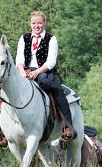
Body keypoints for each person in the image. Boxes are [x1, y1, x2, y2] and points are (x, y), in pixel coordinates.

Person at [15, 11, 76, 140]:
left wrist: (36, 72)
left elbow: (51, 62)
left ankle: (67, 123)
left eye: (39, 23)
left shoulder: (51, 38)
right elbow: (19, 59)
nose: (37, 26)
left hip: (44, 71)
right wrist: (22, 72)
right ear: (30, 24)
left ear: (44, 23)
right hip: (25, 71)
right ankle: (3, 128)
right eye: (34, 23)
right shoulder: (24, 38)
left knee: (54, 87)